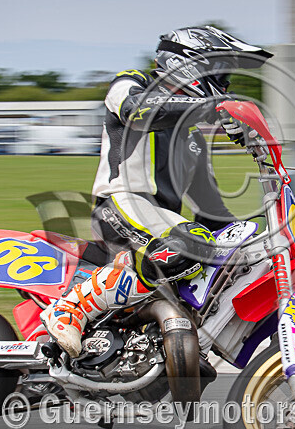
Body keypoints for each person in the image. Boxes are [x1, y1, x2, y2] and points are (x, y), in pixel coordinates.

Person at [40, 26, 273, 357]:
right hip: (120, 206)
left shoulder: (192, 140)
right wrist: (215, 107)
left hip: (161, 224)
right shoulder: (130, 84)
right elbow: (137, 111)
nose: (225, 87)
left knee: (230, 249)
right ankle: (70, 309)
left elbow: (213, 214)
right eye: (220, 75)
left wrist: (266, 242)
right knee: (188, 244)